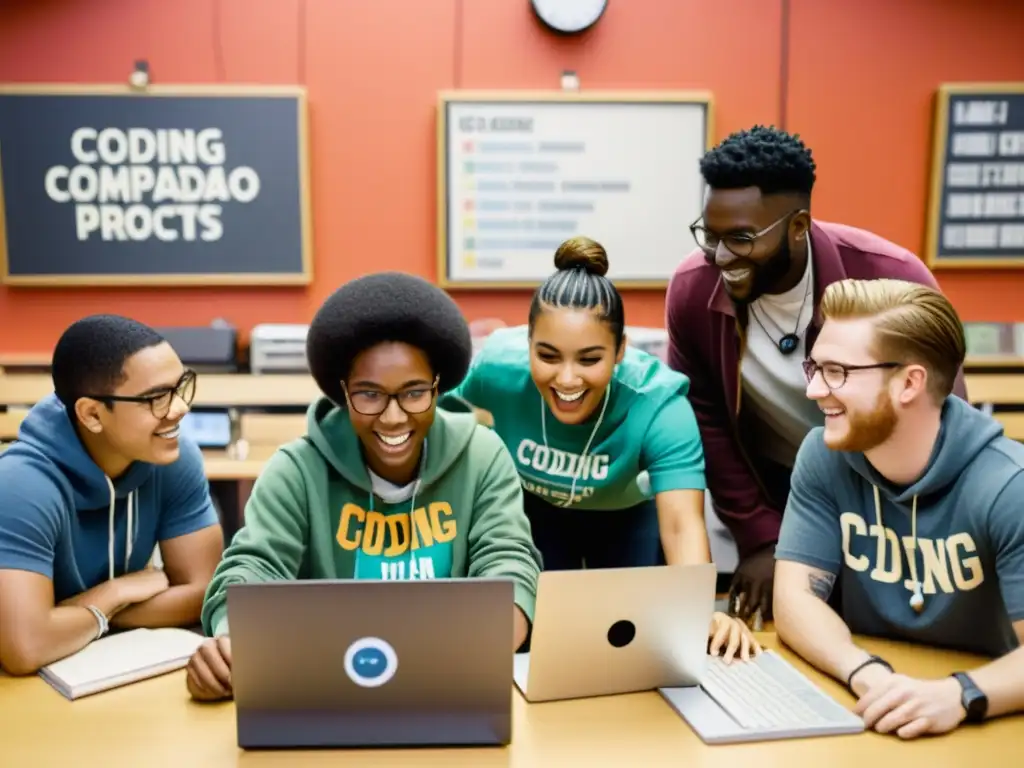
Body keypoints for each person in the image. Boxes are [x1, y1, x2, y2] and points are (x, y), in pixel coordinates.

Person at [186, 272, 545, 702]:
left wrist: (481, 644)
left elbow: (509, 564)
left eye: (414, 393)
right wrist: (231, 644)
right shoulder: (297, 470)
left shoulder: (481, 455)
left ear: (437, 387)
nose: (393, 418)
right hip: (328, 690)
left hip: (453, 683)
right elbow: (249, 571)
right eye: (369, 395)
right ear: (343, 392)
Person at [664, 125, 968, 623]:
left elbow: (940, 419)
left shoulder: (891, 278)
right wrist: (762, 538)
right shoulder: (693, 290)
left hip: (890, 492)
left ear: (799, 226)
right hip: (782, 486)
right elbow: (707, 422)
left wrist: (901, 538)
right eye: (710, 236)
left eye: (741, 239)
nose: (720, 258)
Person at [442, 236, 760, 659]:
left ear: (619, 351)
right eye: (548, 356)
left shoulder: (659, 404)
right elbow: (426, 419)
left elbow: (683, 525)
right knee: (542, 640)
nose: (567, 379)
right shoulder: (495, 369)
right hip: (534, 510)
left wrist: (701, 612)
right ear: (528, 344)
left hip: (624, 516)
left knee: (627, 644)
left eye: (590, 359)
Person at [774, 278, 1024, 739]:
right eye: (815, 367)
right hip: (873, 709)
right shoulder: (822, 456)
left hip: (984, 724)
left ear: (909, 382)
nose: (813, 390)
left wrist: (959, 693)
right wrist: (867, 674)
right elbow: (794, 599)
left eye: (837, 372)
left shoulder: (1010, 486)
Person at [0, 315, 224, 675]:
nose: (180, 408)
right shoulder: (19, 485)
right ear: (91, 414)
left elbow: (207, 593)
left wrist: (71, 617)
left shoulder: (174, 458)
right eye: (156, 397)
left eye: (180, 386)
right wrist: (113, 595)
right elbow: (25, 647)